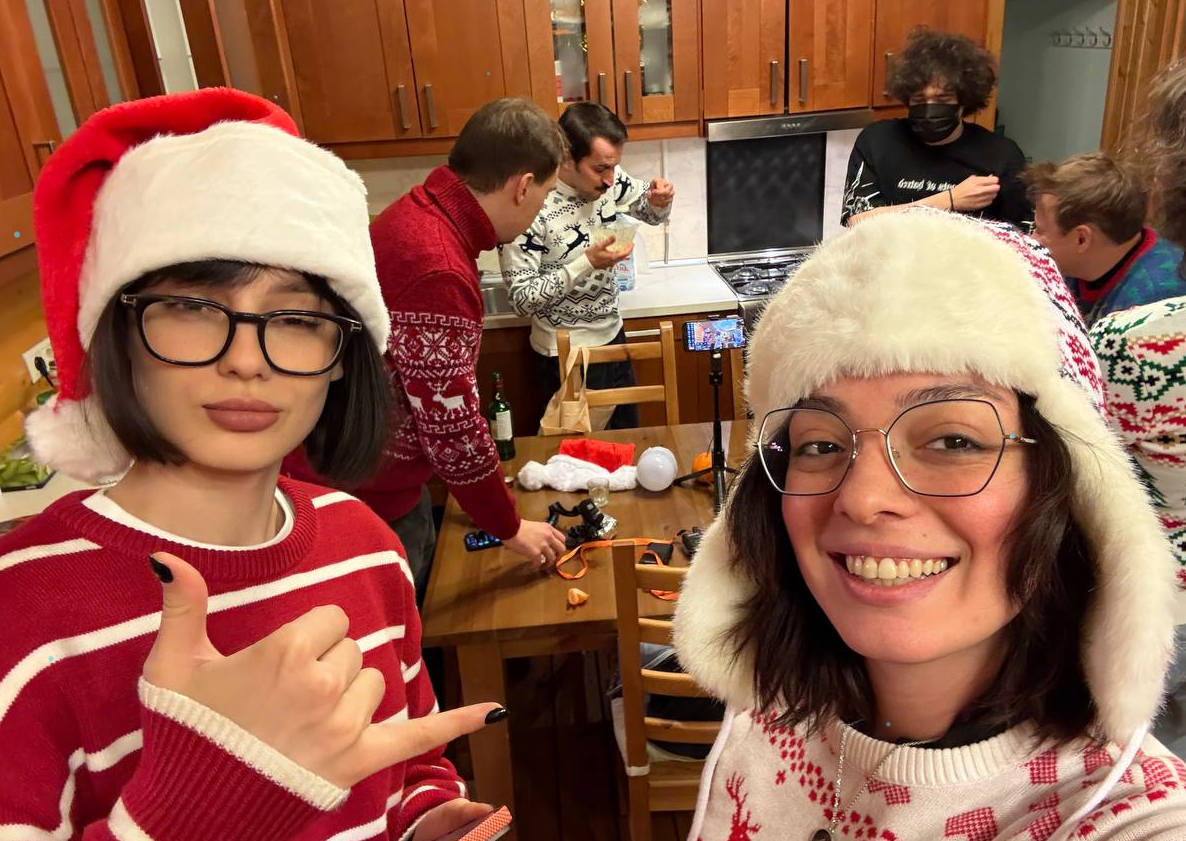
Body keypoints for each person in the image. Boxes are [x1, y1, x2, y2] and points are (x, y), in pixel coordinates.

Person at [0, 89, 504, 841]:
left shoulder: (367, 546)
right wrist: (201, 799)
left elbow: (403, 771)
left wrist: (425, 817)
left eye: (296, 318)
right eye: (193, 307)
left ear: (343, 353)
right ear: (122, 330)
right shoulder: (21, 609)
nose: (245, 360)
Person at [673, 209, 1186, 838]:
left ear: (1068, 487)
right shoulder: (769, 707)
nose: (863, 499)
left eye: (952, 440)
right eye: (820, 444)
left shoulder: (1134, 816)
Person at [287, 97, 568, 599]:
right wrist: (507, 525)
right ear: (523, 186)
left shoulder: (417, 211)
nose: (539, 209)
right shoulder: (439, 266)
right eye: (544, 196)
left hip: (344, 468)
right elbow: (450, 423)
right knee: (404, 626)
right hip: (370, 497)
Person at [499, 101, 675, 430]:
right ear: (567, 157)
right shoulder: (531, 203)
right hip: (564, 354)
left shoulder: (611, 180)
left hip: (613, 336)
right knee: (578, 455)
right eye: (600, 169)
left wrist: (660, 200)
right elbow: (521, 300)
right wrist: (587, 262)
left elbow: (648, 210)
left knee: (628, 443)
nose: (610, 180)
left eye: (614, 167)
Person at [841, 27, 1029, 228]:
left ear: (964, 102)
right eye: (919, 99)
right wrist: (948, 200)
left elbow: (1024, 234)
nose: (930, 108)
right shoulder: (878, 141)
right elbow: (858, 221)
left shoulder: (1002, 155)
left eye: (942, 99)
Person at [1024, 153, 1185, 326]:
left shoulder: (1155, 308)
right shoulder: (1076, 264)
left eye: (1040, 231)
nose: (1031, 239)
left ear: (1081, 239)